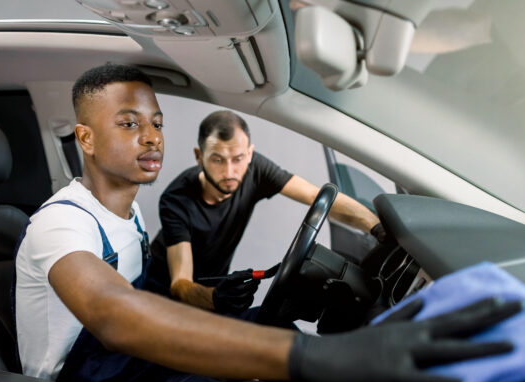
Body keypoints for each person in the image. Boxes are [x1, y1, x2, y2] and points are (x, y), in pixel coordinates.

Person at [14, 63, 520, 382]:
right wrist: (325, 357)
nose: (151, 137)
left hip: (141, 364)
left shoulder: (129, 215)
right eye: (128, 124)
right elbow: (114, 315)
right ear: (86, 137)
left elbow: (148, 299)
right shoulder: (62, 222)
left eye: (157, 123)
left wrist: (374, 225)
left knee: (281, 335)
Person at [145, 110, 387, 314]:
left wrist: (376, 227)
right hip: (163, 298)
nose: (230, 171)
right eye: (218, 160)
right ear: (199, 156)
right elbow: (181, 284)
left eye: (238, 158)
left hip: (215, 295)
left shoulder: (256, 169)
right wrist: (217, 298)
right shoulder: (176, 200)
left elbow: (317, 197)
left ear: (249, 154)